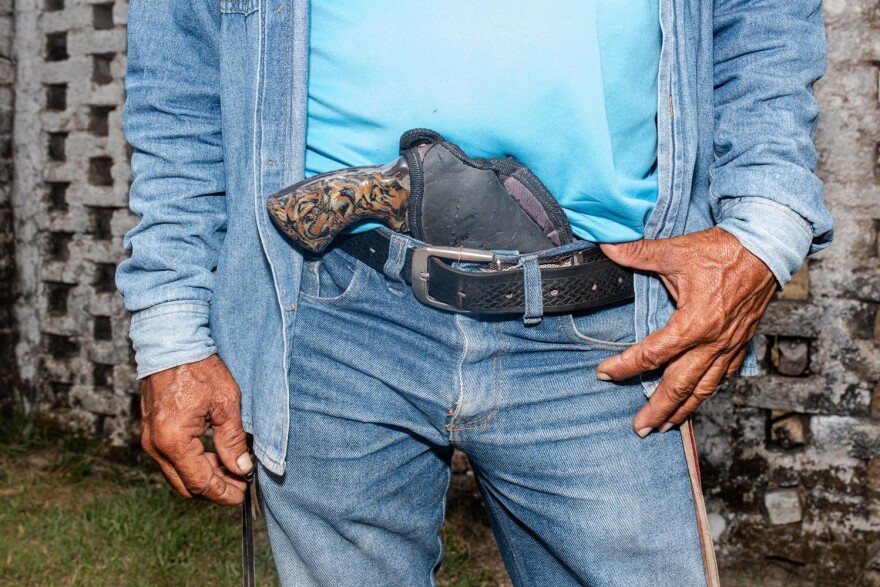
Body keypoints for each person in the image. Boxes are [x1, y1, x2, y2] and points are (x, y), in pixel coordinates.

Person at [117, 1, 832, 585]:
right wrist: (171, 325)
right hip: (330, 304)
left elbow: (765, 22)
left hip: (604, 316)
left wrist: (765, 226)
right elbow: (178, 84)